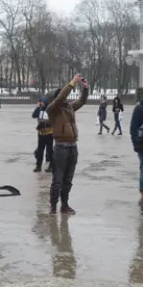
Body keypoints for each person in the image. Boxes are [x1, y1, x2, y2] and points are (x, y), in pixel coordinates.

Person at [46, 74, 89, 214]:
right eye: (61, 95)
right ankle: (53, 206)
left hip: (72, 147)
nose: (64, 97)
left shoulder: (68, 108)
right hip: (61, 148)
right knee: (57, 180)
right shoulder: (53, 109)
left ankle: (64, 205)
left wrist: (85, 89)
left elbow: (81, 101)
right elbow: (59, 99)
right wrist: (72, 83)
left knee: (68, 180)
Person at [32, 98, 54, 172]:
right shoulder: (40, 110)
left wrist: (45, 124)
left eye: (43, 102)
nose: (41, 103)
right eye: (40, 102)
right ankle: (38, 166)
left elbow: (54, 121)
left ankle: (51, 166)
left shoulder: (50, 110)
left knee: (49, 151)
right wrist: (38, 107)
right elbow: (34, 115)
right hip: (41, 134)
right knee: (40, 151)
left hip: (49, 133)